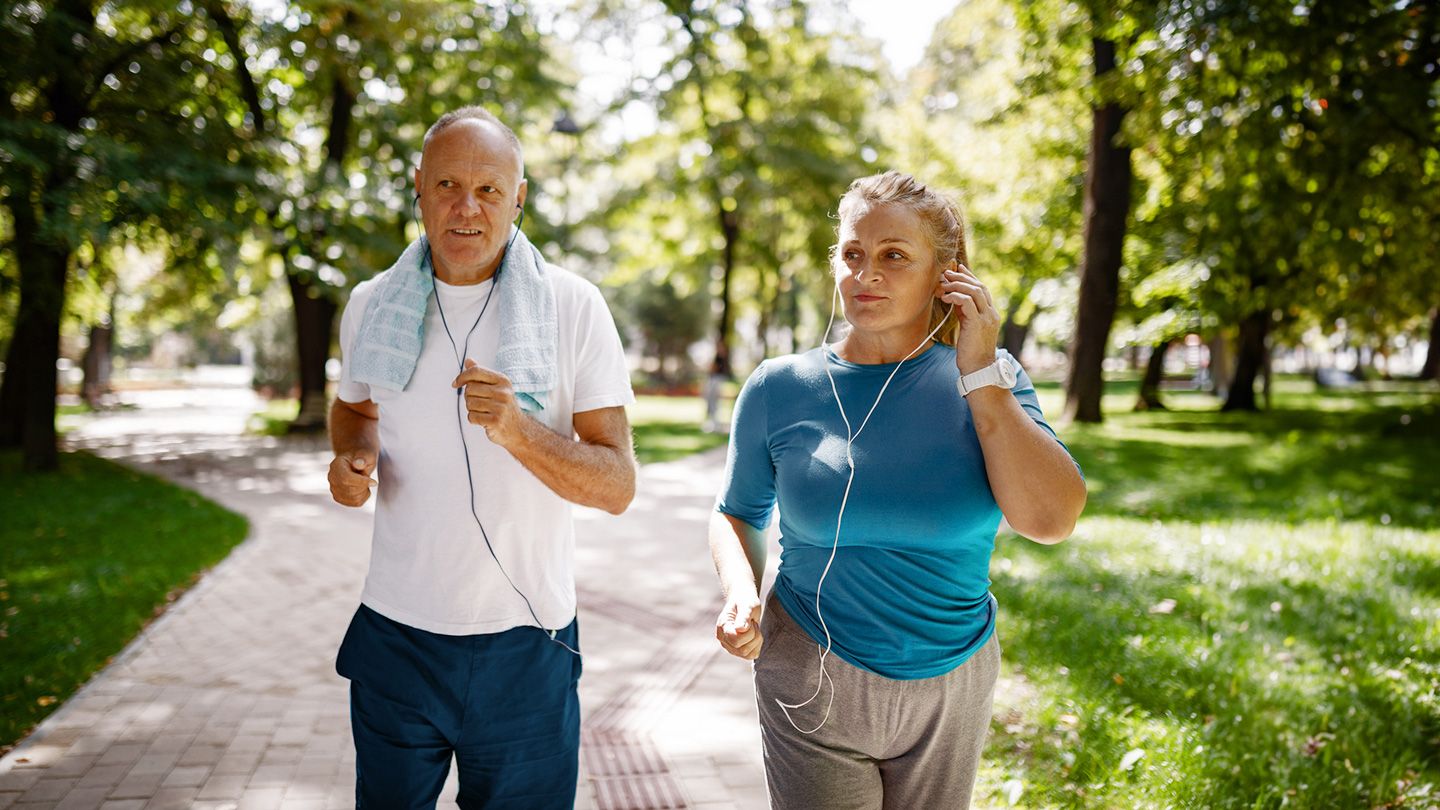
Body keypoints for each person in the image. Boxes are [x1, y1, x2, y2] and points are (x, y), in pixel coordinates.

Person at [708, 171, 1086, 809]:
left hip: (951, 678)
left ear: (947, 275)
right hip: (810, 665)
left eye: (893, 256)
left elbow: (1049, 519)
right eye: (852, 255)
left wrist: (981, 377)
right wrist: (741, 593)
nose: (866, 274)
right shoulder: (778, 387)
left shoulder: (995, 379)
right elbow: (736, 514)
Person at [327, 106, 637, 809]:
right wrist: (351, 457)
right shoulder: (371, 305)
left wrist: (521, 432)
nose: (466, 208)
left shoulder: (573, 306)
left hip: (527, 646)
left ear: (519, 195)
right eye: (447, 186)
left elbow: (618, 486)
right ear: (418, 187)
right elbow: (353, 407)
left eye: (489, 189)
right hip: (396, 636)